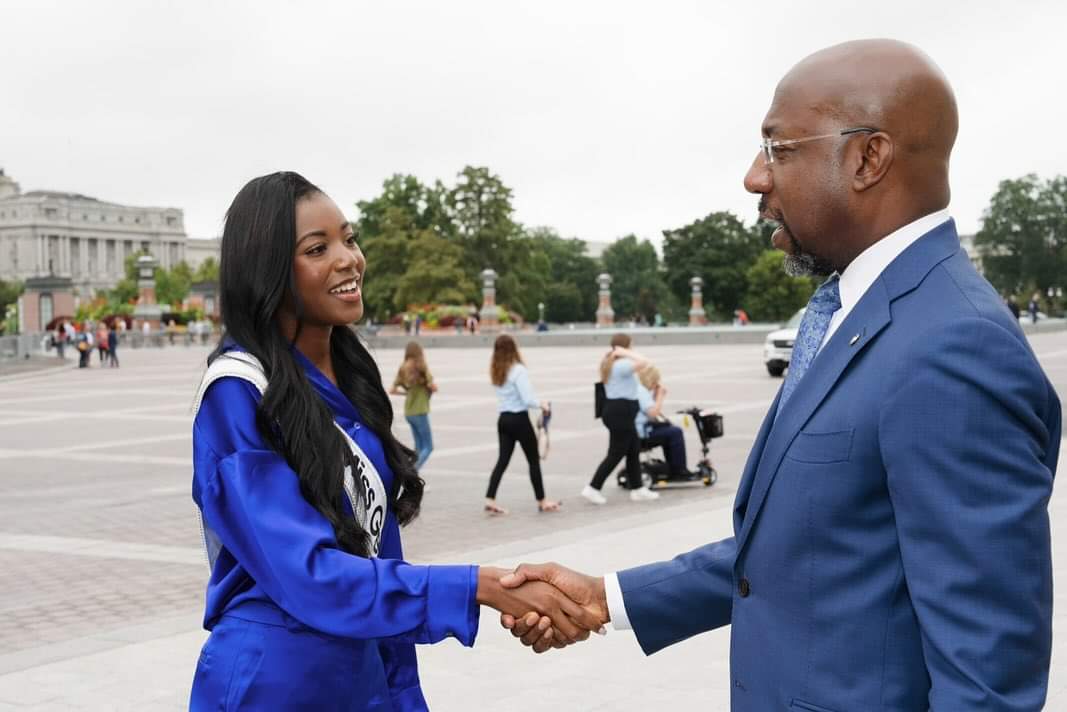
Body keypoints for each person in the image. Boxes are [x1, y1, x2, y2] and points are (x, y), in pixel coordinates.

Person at [499, 40, 1060, 710]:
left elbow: (985, 681)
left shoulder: (954, 348)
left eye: (778, 148)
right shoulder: (855, 313)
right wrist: (606, 597)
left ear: (865, 158)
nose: (753, 177)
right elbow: (804, 550)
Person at [188, 172, 600, 711]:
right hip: (275, 679)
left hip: (363, 670)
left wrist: (402, 692)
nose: (349, 259)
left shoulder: (350, 379)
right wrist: (480, 585)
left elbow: (377, 551)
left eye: (349, 238)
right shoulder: (237, 394)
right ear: (267, 271)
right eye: (318, 248)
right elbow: (306, 575)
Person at [484, 334, 561, 515]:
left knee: (502, 461)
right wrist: (542, 404)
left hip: (503, 420)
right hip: (519, 420)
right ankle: (542, 501)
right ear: (514, 348)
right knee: (533, 461)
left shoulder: (496, 370)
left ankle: (490, 499)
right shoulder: (518, 370)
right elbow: (527, 399)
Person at [582, 333, 659, 504]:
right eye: (631, 345)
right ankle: (593, 487)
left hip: (619, 412)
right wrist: (625, 353)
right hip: (621, 412)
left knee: (633, 449)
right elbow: (645, 362)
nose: (633, 348)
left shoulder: (611, 363)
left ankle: (638, 488)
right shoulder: (621, 364)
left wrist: (623, 352)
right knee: (616, 453)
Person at [390, 341, 436, 471]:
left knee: (418, 447)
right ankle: (413, 473)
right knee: (428, 447)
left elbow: (392, 389)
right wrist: (431, 388)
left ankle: (412, 478)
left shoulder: (403, 367)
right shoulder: (420, 367)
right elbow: (432, 386)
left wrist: (406, 393)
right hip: (420, 411)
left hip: (409, 412)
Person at [635, 365, 688, 478]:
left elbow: (650, 411)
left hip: (640, 429)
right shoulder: (642, 392)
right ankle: (679, 469)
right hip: (642, 434)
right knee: (675, 432)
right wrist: (660, 396)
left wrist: (654, 397)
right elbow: (653, 413)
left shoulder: (639, 389)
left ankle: (674, 466)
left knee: (670, 431)